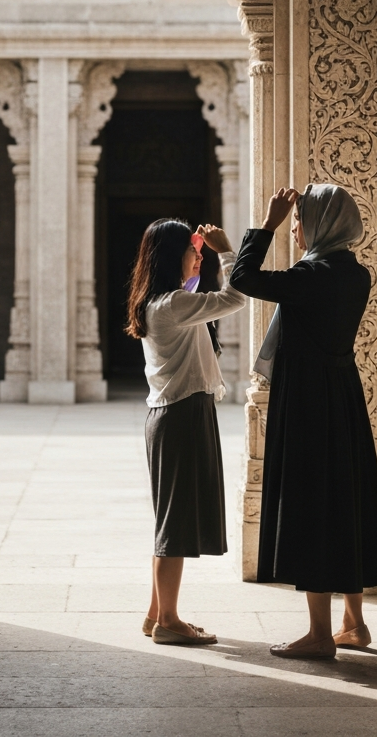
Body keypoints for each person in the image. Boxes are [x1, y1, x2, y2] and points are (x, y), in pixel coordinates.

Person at [230, 185, 377, 659]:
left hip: (309, 402)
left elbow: (244, 278)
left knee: (314, 509)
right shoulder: (354, 274)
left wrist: (268, 222)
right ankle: (354, 623)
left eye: (301, 219)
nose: (296, 228)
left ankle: (321, 635)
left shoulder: (312, 275)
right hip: (341, 398)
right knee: (344, 502)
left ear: (322, 222)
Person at [126, 218, 247, 646]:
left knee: (171, 521)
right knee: (174, 526)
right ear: (170, 255)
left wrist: (198, 256)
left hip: (177, 413)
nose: (199, 255)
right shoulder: (172, 305)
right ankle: (169, 621)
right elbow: (236, 296)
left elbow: (199, 287)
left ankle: (157, 613)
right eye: (192, 249)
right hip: (179, 416)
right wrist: (228, 250)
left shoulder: (164, 301)